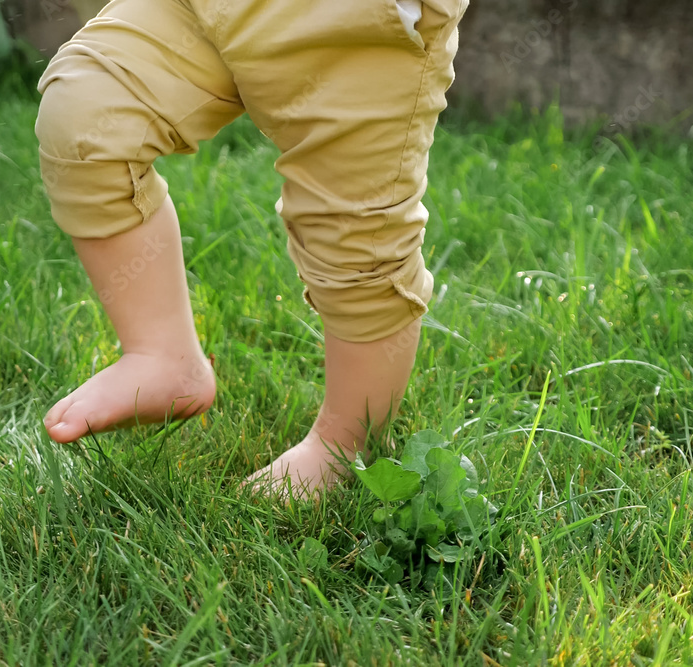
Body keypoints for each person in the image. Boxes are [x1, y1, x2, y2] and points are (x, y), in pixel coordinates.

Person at [35, 0, 467, 497]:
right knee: (87, 114)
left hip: (353, 23)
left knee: (357, 241)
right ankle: (160, 356)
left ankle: (342, 446)